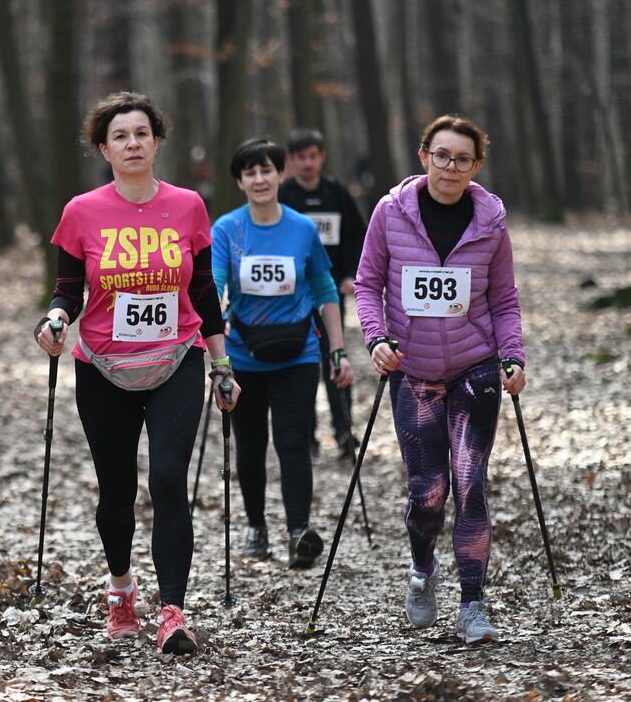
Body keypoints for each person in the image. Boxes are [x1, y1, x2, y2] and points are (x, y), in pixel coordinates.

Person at [34, 91, 239, 656]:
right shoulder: (82, 211)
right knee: (117, 490)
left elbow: (202, 293)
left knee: (170, 479)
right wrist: (54, 320)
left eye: (141, 134)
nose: (132, 143)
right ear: (103, 147)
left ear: (156, 141)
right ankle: (121, 589)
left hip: (177, 357)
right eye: (120, 136)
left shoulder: (189, 206)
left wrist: (222, 364)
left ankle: (172, 611)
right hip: (102, 366)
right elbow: (67, 291)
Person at [352, 115, 527, 645]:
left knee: (471, 484)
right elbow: (367, 283)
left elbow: (505, 300)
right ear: (424, 155)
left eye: (464, 159)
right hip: (416, 371)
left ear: (477, 165)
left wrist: (513, 355)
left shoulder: (491, 222)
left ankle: (473, 604)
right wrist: (377, 340)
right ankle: (423, 569)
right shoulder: (390, 211)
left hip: (476, 367)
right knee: (428, 493)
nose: (451, 167)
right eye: (442, 155)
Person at [211, 138, 353, 569]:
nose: (259, 179)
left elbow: (325, 290)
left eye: (266, 170)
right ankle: (256, 526)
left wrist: (338, 350)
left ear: (279, 175)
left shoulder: (302, 229)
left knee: (292, 440)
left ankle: (298, 531)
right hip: (243, 356)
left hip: (298, 353)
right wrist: (217, 327)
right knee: (251, 446)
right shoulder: (227, 229)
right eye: (250, 172)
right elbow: (215, 286)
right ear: (240, 180)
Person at [279, 129, 367, 459]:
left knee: (335, 358)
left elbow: (357, 238)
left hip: (330, 294)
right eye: (301, 157)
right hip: (292, 298)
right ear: (291, 160)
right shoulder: (283, 195)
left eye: (313, 156)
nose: (307, 163)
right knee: (300, 365)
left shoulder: (337, 193)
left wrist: (350, 275)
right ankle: (306, 435)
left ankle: (344, 431)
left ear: (322, 157)